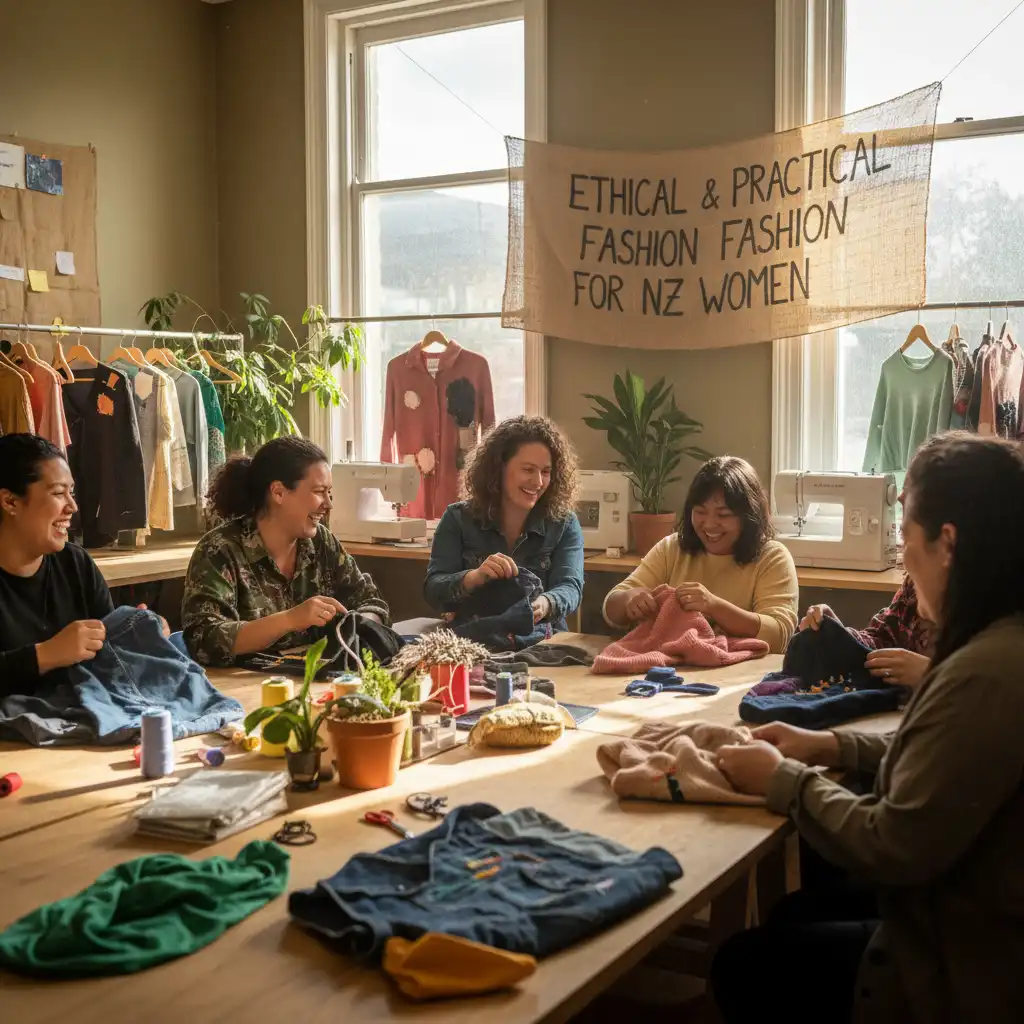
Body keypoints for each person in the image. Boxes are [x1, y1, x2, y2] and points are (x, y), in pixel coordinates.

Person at [712, 432, 1024, 1024]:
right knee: (791, 915)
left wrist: (786, 779)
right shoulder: (1000, 641)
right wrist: (830, 744)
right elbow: (949, 759)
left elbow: (892, 846)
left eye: (905, 535)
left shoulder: (985, 673)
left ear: (948, 545)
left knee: (743, 964)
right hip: (967, 903)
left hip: (969, 962)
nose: (901, 551)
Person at [182, 436, 390, 667]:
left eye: (329, 492)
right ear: (279, 492)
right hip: (241, 689)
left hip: (315, 679)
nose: (328, 504)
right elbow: (204, 641)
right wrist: (291, 619)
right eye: (319, 491)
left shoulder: (322, 542)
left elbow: (371, 600)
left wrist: (360, 625)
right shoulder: (219, 551)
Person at [603, 455, 798, 653]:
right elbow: (611, 608)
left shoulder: (772, 557)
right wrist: (630, 599)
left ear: (749, 516)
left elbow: (779, 635)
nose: (710, 524)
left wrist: (714, 606)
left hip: (742, 675)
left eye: (723, 515)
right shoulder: (672, 548)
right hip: (670, 669)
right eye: (700, 511)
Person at [424, 416, 584, 633]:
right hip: (474, 642)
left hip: (543, 643)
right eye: (528, 470)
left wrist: (545, 604)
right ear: (499, 468)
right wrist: (474, 577)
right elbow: (433, 590)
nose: (538, 482)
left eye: (545, 472)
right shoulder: (457, 519)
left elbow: (570, 587)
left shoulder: (564, 524)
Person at [0, 434, 120, 696]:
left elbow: (110, 659)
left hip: (78, 726)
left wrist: (135, 634)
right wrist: (45, 655)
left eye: (72, 493)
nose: (73, 507)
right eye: (58, 493)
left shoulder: (76, 564)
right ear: (10, 502)